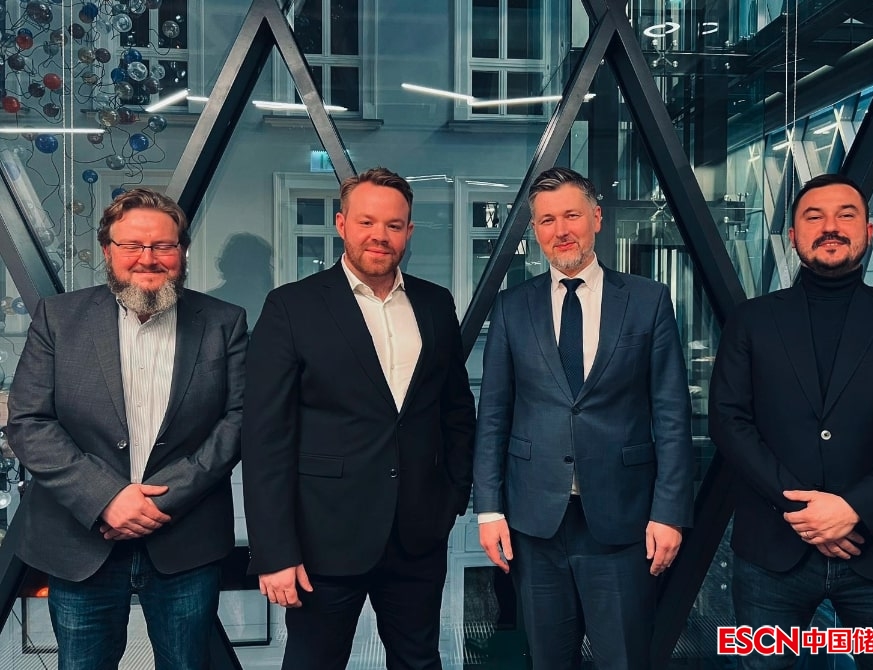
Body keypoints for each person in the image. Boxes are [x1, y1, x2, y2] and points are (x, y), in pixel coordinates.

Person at [709, 173, 873, 669]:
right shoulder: (751, 321)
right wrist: (804, 511)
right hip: (772, 554)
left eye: (846, 215)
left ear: (869, 231)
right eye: (814, 217)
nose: (830, 227)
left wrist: (855, 508)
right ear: (792, 235)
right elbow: (729, 423)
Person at [242, 166, 476, 670]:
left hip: (417, 534)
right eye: (367, 222)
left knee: (419, 661)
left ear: (408, 231)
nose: (380, 235)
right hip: (323, 538)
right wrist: (275, 550)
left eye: (393, 225)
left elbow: (456, 410)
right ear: (342, 224)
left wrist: (453, 495)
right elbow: (265, 438)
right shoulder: (291, 307)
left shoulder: (436, 304)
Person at [7, 188, 248, 670]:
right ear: (107, 251)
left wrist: (162, 499)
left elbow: (239, 420)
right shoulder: (59, 319)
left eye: (163, 245)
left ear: (182, 250)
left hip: (184, 539)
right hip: (81, 538)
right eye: (132, 245)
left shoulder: (224, 322)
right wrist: (106, 498)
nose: (148, 259)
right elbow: (29, 421)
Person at [473, 166, 694, 669]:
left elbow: (671, 415)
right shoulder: (512, 308)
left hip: (622, 519)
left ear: (596, 218)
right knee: (549, 659)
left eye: (571, 215)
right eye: (547, 220)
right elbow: (494, 415)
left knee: (624, 658)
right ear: (535, 230)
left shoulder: (647, 300)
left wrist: (669, 512)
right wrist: (488, 510)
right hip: (534, 522)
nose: (561, 230)